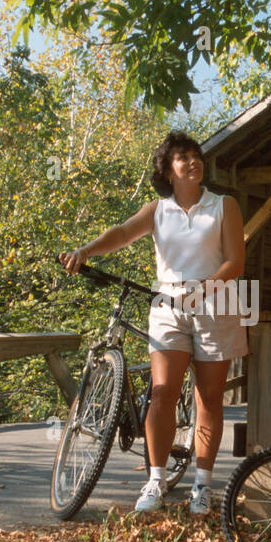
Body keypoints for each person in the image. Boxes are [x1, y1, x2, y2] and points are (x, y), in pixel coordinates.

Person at [60, 131, 246, 515]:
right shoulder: (157, 210)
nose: (193, 161)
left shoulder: (224, 205)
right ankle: (156, 480)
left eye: (196, 155)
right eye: (183, 157)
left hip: (217, 306)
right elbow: (122, 233)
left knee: (209, 399)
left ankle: (202, 486)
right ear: (168, 169)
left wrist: (205, 288)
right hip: (168, 307)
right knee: (162, 392)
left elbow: (235, 262)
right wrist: (85, 251)